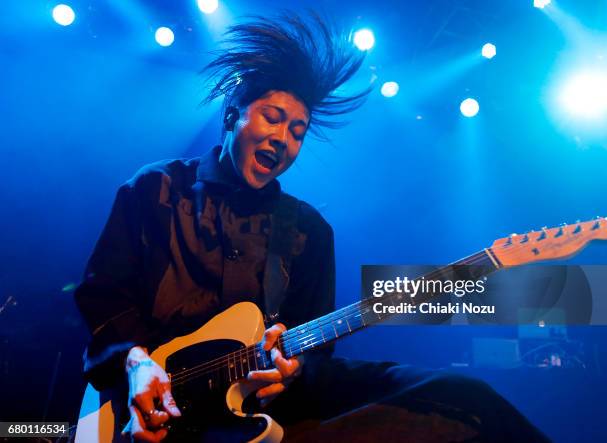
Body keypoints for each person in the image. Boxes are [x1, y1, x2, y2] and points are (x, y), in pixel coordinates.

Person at [75, 12, 551, 443]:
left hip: (256, 410)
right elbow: (103, 293)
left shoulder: (308, 231)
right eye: (273, 118)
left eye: (298, 131)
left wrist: (293, 369)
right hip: (143, 402)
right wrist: (138, 365)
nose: (283, 138)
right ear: (232, 117)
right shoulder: (156, 189)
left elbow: (311, 347)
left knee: (460, 395)